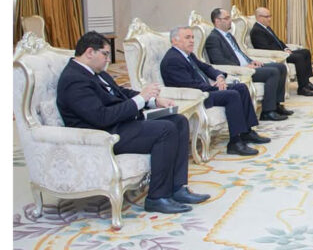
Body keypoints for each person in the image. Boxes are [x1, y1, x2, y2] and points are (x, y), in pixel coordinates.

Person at [57, 31, 210, 214]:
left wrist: (152, 101)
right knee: (166, 129)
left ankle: (178, 188)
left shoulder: (95, 72)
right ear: (90, 52)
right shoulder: (74, 79)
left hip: (119, 124)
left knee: (179, 121)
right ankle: (157, 197)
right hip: (103, 135)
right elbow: (100, 117)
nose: (108, 60)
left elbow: (120, 93)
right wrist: (140, 100)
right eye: (105, 54)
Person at [160, 26, 270, 156]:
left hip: (205, 90)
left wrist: (219, 77)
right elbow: (190, 85)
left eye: (192, 37)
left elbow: (206, 67)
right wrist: (216, 88)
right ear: (175, 41)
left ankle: (247, 132)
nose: (192, 41)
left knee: (241, 87)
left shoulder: (187, 55)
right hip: (196, 98)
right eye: (187, 37)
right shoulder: (172, 60)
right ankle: (235, 143)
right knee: (232, 95)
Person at [204, 8, 293, 121]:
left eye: (229, 17)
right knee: (273, 72)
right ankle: (267, 111)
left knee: (281, 67)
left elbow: (239, 53)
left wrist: (251, 61)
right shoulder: (213, 38)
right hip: (239, 71)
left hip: (247, 66)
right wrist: (243, 68)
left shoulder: (228, 35)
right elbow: (219, 61)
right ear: (217, 21)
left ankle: (276, 105)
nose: (230, 20)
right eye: (226, 18)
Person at [250, 7, 313, 96]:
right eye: (267, 17)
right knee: (299, 57)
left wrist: (286, 48)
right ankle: (302, 88)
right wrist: (283, 53)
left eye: (270, 16)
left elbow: (278, 41)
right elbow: (265, 48)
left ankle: (307, 83)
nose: (270, 19)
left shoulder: (266, 27)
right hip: (277, 55)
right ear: (259, 17)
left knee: (306, 52)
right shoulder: (256, 31)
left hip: (282, 52)